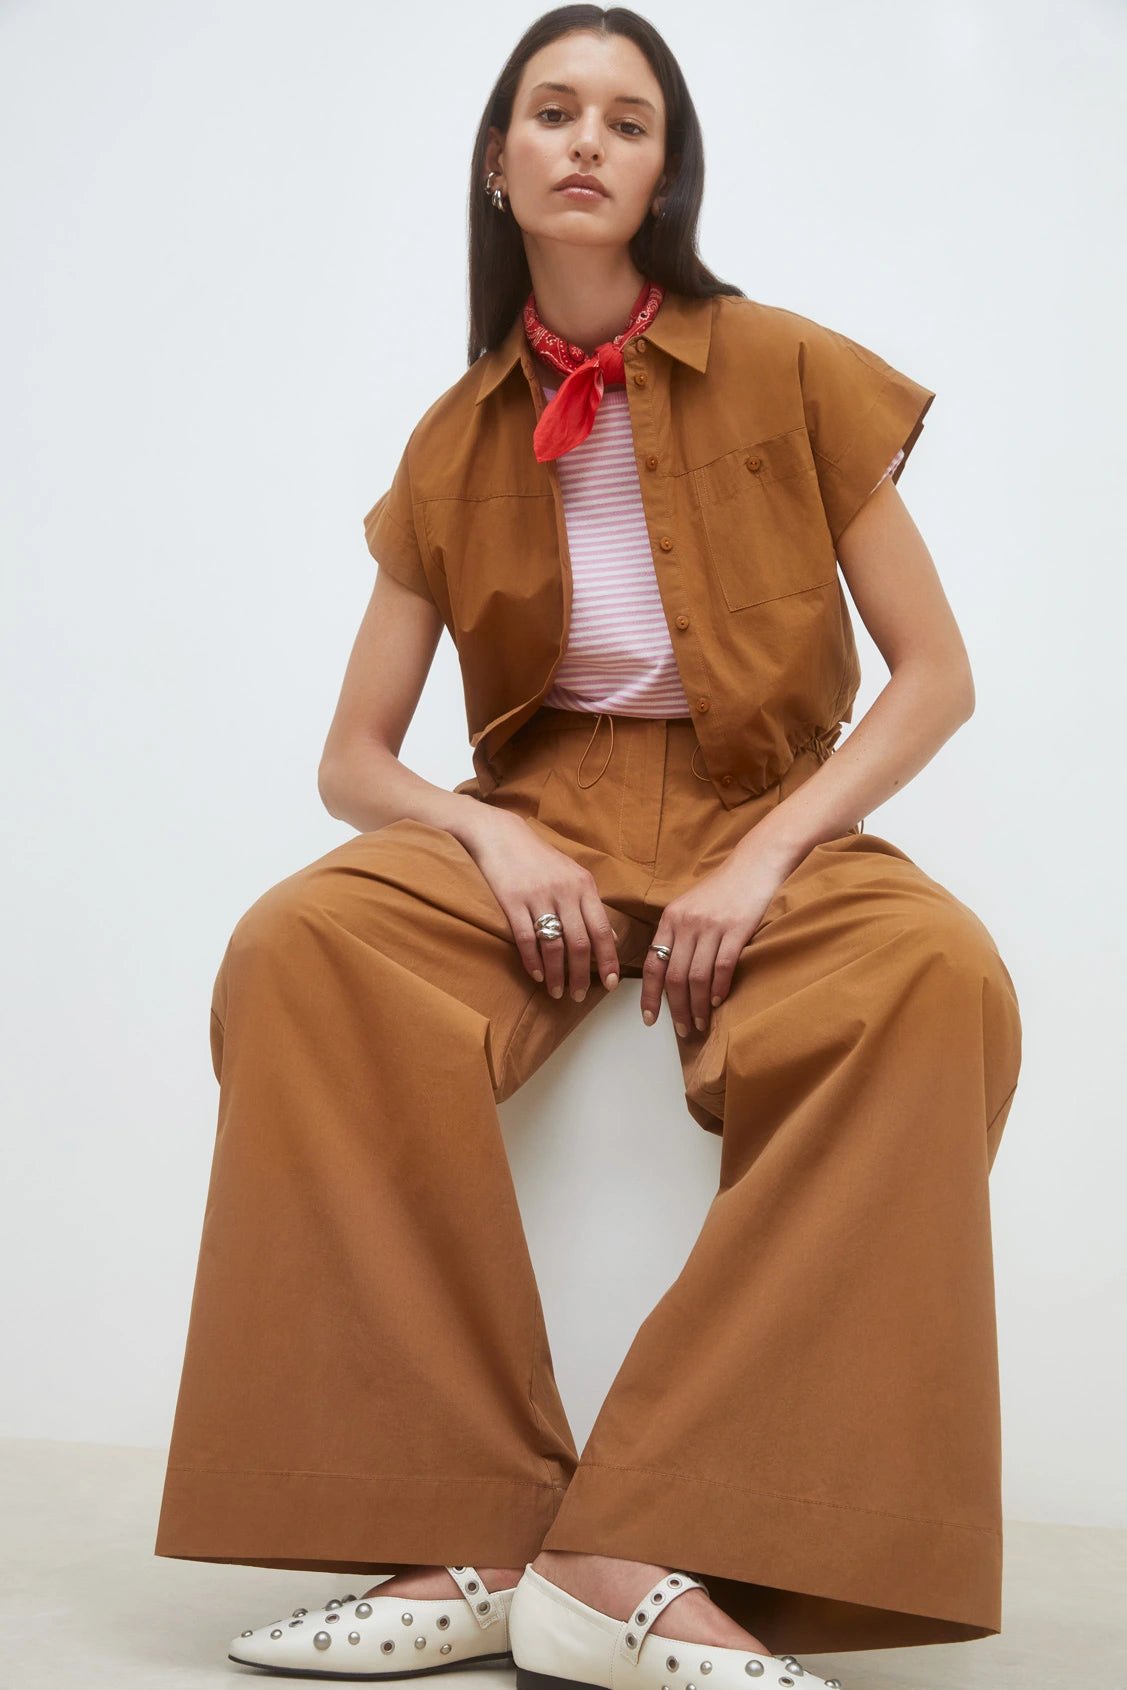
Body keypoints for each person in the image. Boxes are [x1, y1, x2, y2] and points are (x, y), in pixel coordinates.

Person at [153, 8, 1023, 1686]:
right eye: (551, 111)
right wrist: (480, 832)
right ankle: (467, 1526)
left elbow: (939, 680)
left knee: (934, 973)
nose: (584, 141)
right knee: (301, 945)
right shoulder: (449, 437)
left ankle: (637, 1526)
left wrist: (765, 857)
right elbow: (352, 759)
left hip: (766, 806)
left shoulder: (789, 365)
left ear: (663, 170)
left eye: (627, 121)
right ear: (499, 161)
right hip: (536, 817)